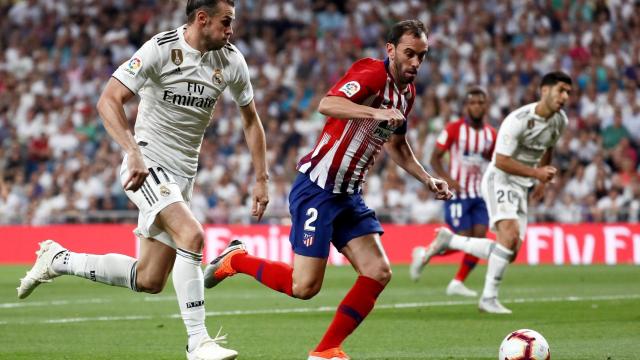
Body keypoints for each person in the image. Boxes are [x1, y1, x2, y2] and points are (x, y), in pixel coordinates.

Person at [17, 1, 269, 359]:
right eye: (226, 22)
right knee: (192, 235)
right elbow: (109, 99)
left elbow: (250, 119)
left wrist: (261, 178)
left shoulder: (231, 61)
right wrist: (132, 151)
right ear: (202, 19)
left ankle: (59, 259)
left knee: (150, 279)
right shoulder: (161, 49)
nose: (232, 30)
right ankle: (198, 342)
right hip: (147, 164)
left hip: (182, 175)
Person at [203, 20, 452, 360]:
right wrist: (375, 112)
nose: (415, 63)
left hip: (348, 194)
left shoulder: (407, 93)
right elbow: (328, 103)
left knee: (378, 272)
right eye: (409, 54)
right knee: (303, 287)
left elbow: (397, 145)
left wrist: (427, 178)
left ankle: (326, 350)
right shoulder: (372, 74)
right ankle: (237, 260)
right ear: (390, 50)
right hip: (318, 188)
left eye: (422, 56)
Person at [417, 71, 572, 314]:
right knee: (508, 237)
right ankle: (487, 298)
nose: (565, 96)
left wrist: (541, 178)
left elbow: (548, 145)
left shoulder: (560, 121)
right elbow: (499, 161)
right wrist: (537, 174)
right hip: (500, 179)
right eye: (561, 90)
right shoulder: (518, 120)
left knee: (508, 251)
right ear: (544, 91)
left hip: (522, 184)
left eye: (568, 93)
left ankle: (451, 241)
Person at [410, 87, 496, 297]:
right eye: (473, 103)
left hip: (478, 195)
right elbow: (435, 158)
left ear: (486, 106)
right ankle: (423, 254)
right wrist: (447, 179)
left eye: (480, 103)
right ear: (467, 106)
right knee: (464, 237)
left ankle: (457, 282)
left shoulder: (491, 134)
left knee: (480, 239)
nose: (477, 106)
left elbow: (494, 163)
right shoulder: (454, 129)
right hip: (457, 195)